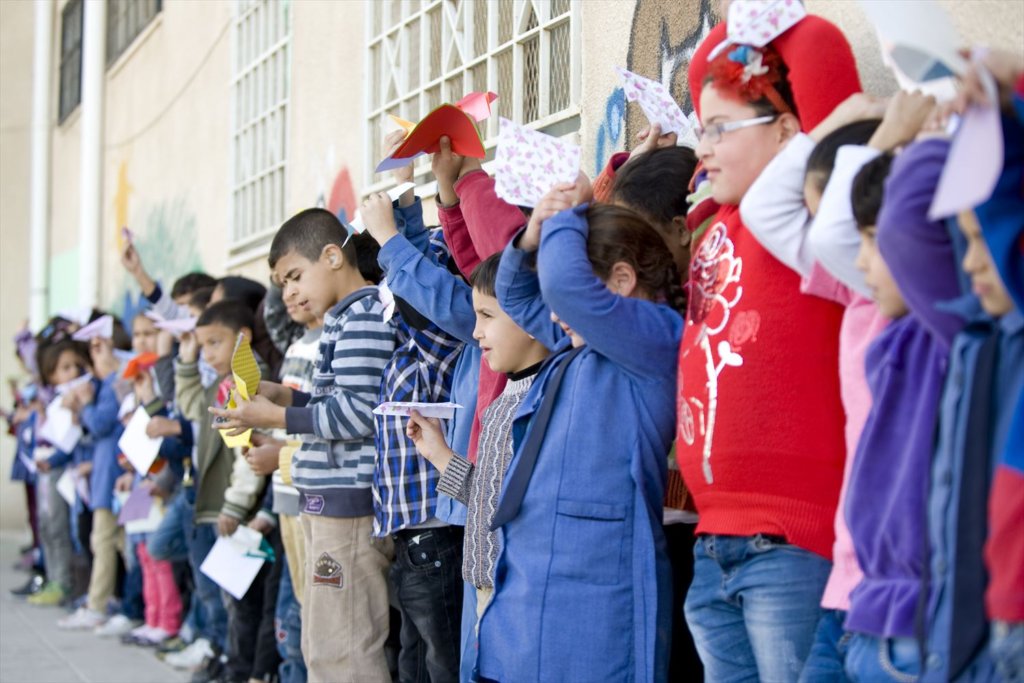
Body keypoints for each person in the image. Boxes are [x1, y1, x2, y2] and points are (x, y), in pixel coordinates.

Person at [677, 14, 861, 681]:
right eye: (701, 128)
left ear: (789, 132)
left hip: (790, 539)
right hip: (713, 537)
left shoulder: (808, 216)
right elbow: (704, 65)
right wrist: (733, 33)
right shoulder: (717, 223)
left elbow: (824, 69)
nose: (703, 146)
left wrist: (764, 19)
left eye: (721, 129)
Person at [474, 195, 684, 682]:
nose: (556, 308)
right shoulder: (576, 346)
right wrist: (532, 235)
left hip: (593, 607)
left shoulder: (653, 342)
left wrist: (569, 210)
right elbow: (517, 293)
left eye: (568, 296)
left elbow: (565, 288)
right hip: (526, 603)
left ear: (622, 282)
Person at [213, 208, 397, 682]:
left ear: (334, 256)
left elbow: (359, 413)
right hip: (327, 505)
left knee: (346, 648)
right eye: (282, 283)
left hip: (348, 509)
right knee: (322, 642)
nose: (289, 292)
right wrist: (284, 396)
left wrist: (277, 417)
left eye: (295, 276)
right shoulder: (343, 318)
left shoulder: (363, 317)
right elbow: (339, 402)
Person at [404, 250, 551, 673]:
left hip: (517, 595)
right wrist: (439, 454)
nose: (476, 331)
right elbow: (492, 497)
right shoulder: (506, 396)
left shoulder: (543, 400)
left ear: (532, 314)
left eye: (488, 316)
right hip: (483, 585)